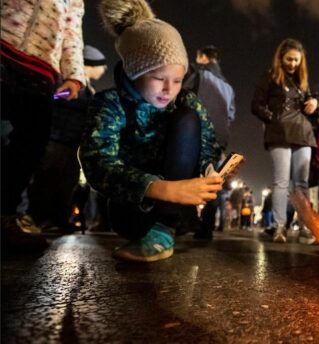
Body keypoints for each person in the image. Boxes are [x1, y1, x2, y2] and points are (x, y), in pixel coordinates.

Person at [79, 0, 222, 262]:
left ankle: (168, 226)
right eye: (158, 78)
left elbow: (208, 144)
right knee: (131, 216)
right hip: (133, 207)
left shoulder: (185, 101)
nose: (169, 89)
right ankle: (153, 231)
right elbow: (98, 163)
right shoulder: (110, 104)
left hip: (178, 207)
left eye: (177, 80)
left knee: (188, 118)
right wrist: (165, 189)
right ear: (135, 71)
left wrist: (209, 169)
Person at [1, 0, 86, 253]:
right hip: (3, 49)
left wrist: (73, 75)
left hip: (41, 67)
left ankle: (6, 215)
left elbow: (72, 31)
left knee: (32, 141)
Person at [24, 45, 108, 233]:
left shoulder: (89, 88)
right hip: (56, 139)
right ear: (90, 64)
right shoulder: (68, 82)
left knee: (66, 183)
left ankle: (59, 218)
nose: (104, 70)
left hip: (72, 144)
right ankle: (37, 218)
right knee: (46, 181)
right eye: (101, 65)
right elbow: (56, 97)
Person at [251, 38, 319, 243]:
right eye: (289, 59)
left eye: (297, 60)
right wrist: (273, 119)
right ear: (281, 57)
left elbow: (311, 100)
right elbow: (256, 105)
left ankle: (306, 227)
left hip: (303, 133)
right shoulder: (270, 76)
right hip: (279, 133)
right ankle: (279, 226)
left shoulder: (302, 80)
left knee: (302, 183)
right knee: (281, 182)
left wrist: (314, 102)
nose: (293, 64)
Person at [183, 46, 236, 239]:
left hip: (196, 130)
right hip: (219, 137)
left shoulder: (199, 75)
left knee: (187, 173)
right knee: (210, 178)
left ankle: (186, 220)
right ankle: (206, 228)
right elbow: (230, 115)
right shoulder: (228, 86)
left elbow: (184, 96)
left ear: (202, 57)